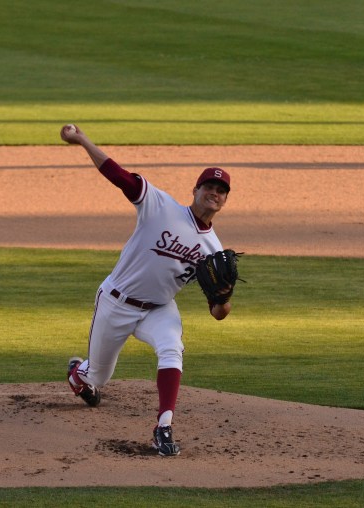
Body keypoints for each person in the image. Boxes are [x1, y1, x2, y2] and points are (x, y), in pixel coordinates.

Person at [59, 124, 233, 457]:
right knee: (98, 376)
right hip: (116, 302)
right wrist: (82, 140)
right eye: (209, 186)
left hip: (158, 308)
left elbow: (218, 313)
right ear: (195, 190)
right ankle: (78, 375)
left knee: (172, 349)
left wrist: (224, 298)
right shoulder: (160, 206)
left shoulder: (214, 248)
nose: (214, 192)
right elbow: (118, 175)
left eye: (221, 189)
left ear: (225, 199)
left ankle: (163, 427)